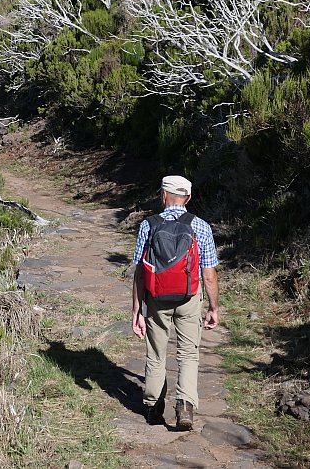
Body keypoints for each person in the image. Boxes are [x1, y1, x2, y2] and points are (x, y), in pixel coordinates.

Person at [130, 175, 220, 431]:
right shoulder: (200, 226)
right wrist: (213, 307)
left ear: (163, 195)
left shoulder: (148, 225)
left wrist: (137, 309)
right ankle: (185, 408)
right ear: (188, 198)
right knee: (188, 354)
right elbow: (209, 274)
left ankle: (154, 407)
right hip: (189, 298)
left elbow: (140, 272)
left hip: (156, 298)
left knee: (157, 354)